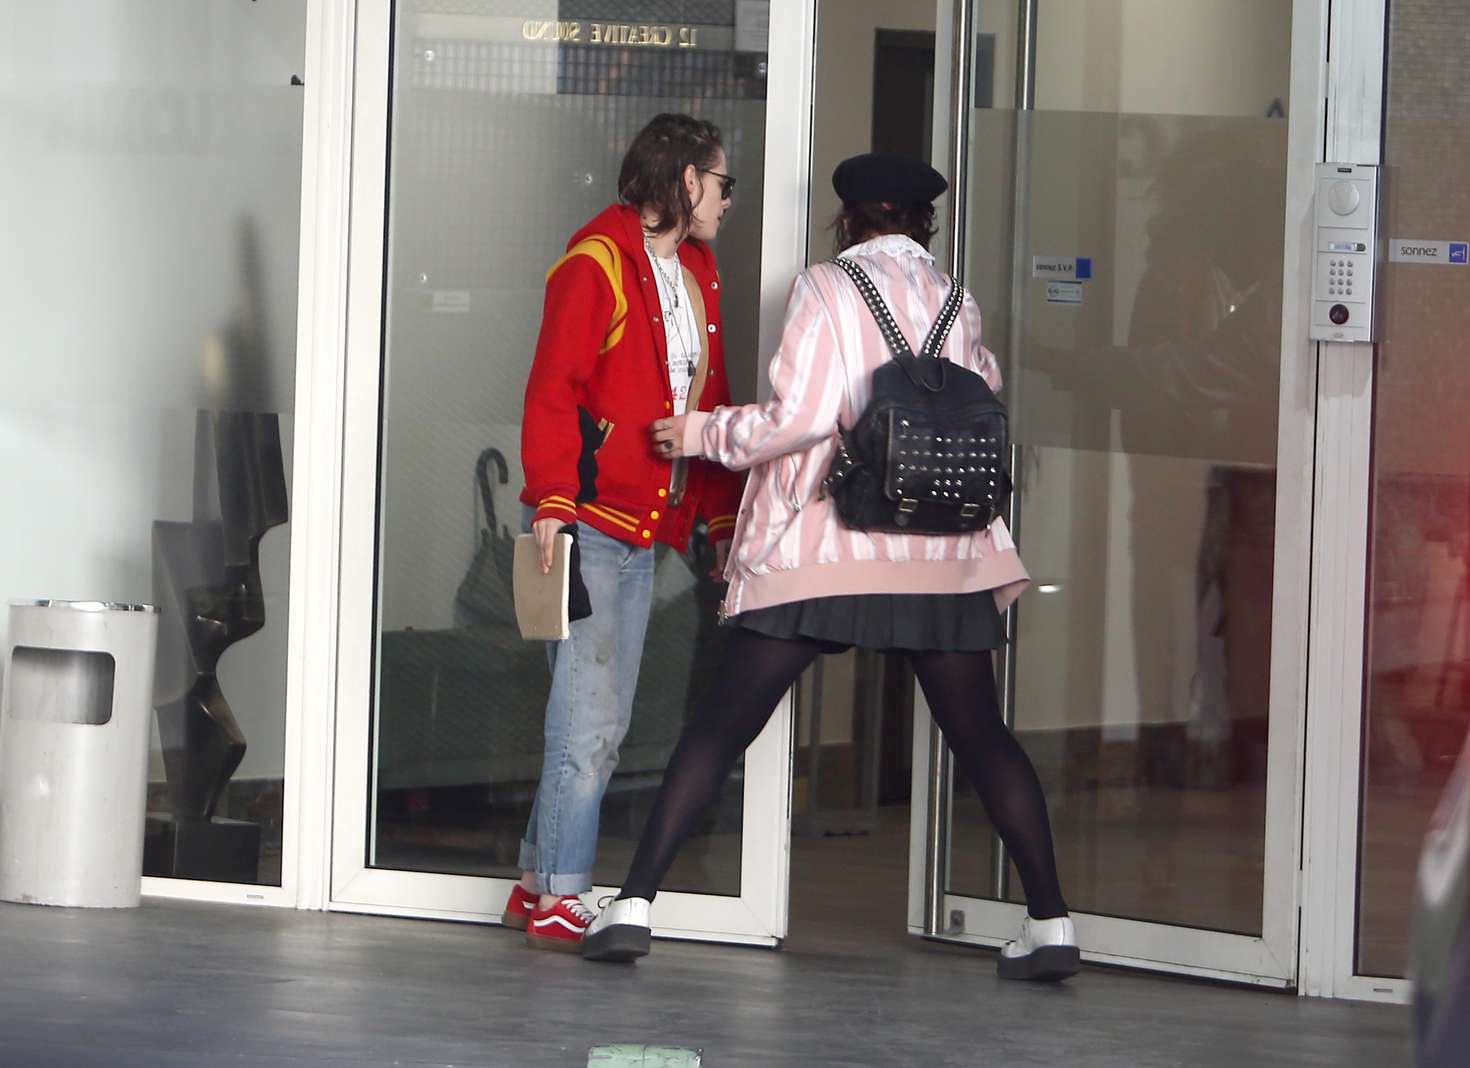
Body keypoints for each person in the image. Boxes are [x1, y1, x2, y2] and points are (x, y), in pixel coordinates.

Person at [581, 152, 1079, 981]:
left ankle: (632, 905)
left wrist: (702, 431)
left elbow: (801, 418)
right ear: (922, 223)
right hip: (943, 559)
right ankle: (1051, 924)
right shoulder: (959, 300)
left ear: (849, 219)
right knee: (984, 739)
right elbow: (979, 394)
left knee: (721, 726)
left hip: (826, 552)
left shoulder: (824, 287)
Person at [504, 113, 745, 951]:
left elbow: (706, 404)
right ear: (687, 182)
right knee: (590, 724)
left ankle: (537, 875)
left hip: (647, 528)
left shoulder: (697, 271)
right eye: (722, 185)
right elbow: (552, 389)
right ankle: (564, 896)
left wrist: (718, 516)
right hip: (589, 527)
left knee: (592, 714)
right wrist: (551, 502)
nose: (726, 203)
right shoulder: (597, 262)